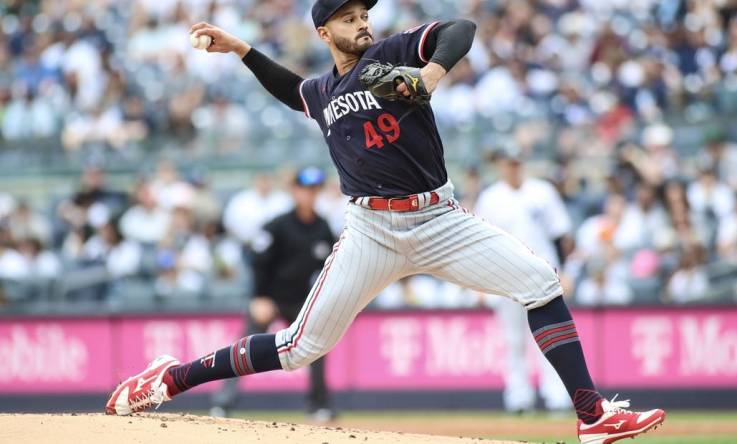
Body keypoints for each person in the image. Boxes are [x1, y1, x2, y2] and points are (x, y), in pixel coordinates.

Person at [106, 1, 665, 442]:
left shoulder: (391, 57)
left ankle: (592, 415)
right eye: (349, 18)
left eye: (364, 14)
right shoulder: (323, 91)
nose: (362, 23)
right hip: (371, 231)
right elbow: (288, 88)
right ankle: (172, 378)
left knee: (541, 284)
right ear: (325, 32)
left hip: (438, 219)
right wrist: (241, 49)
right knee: (300, 347)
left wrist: (431, 75)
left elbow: (461, 27)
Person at [210, 167, 337, 421]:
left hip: (301, 300)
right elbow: (258, 262)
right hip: (270, 298)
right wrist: (259, 297)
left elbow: (331, 266)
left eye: (314, 190)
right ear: (294, 192)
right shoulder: (278, 225)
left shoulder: (322, 228)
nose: (309, 195)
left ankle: (319, 405)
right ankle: (223, 403)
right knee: (244, 349)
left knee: (317, 347)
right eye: (305, 189)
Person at [474, 147, 573, 414]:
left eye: (516, 163)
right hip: (505, 277)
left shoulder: (542, 192)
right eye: (508, 163)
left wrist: (565, 271)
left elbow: (560, 235)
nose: (513, 167)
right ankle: (519, 398)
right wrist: (480, 283)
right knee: (513, 340)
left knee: (549, 337)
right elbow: (479, 244)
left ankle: (556, 398)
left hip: (543, 276)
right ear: (500, 165)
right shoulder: (490, 197)